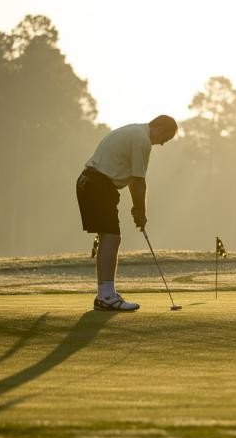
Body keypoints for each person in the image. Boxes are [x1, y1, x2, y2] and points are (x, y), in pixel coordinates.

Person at [76, 115, 178, 311]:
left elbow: (132, 180)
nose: (163, 143)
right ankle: (106, 295)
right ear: (157, 127)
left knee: (108, 237)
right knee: (112, 237)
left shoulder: (135, 132)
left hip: (90, 183)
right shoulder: (142, 140)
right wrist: (141, 212)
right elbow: (139, 181)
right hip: (98, 185)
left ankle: (104, 295)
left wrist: (137, 208)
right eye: (166, 137)